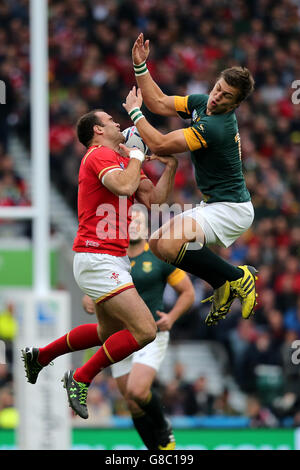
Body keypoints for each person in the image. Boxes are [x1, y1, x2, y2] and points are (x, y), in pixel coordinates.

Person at [21, 109, 178, 430]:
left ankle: (41, 356)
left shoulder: (122, 161)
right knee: (146, 331)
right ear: (97, 130)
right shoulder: (98, 155)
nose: (119, 124)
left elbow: (156, 200)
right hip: (97, 256)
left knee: (110, 335)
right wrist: (136, 156)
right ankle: (80, 377)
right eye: (110, 121)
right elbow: (122, 187)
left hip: (111, 258)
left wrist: (170, 167)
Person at [121, 33, 258, 326]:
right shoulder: (202, 103)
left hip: (231, 209)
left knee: (169, 246)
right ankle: (222, 283)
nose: (217, 97)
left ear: (235, 105)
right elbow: (158, 102)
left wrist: (134, 112)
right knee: (158, 246)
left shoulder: (215, 127)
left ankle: (237, 276)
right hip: (215, 204)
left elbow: (157, 143)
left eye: (226, 97)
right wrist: (140, 67)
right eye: (218, 88)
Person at [82, 206, 195, 449]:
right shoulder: (111, 257)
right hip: (120, 337)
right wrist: (88, 299)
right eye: (130, 221)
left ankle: (164, 426)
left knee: (137, 390)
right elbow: (93, 292)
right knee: (132, 403)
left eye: (139, 221)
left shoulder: (158, 255)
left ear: (146, 226)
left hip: (152, 334)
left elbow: (188, 292)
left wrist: (172, 317)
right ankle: (155, 451)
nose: (134, 225)